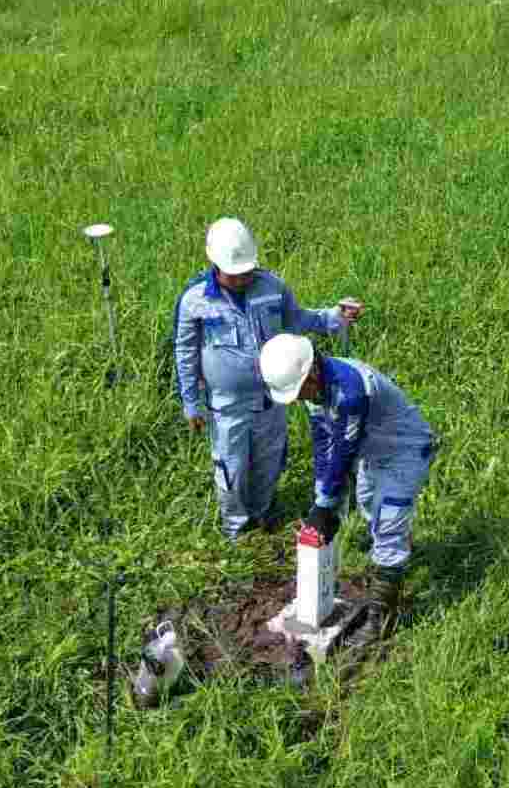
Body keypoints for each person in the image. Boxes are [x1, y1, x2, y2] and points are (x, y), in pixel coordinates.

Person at [173, 218, 363, 541]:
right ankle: (236, 530)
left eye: (247, 270)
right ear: (214, 264)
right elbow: (185, 350)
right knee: (231, 471)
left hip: (272, 400)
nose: (243, 278)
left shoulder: (272, 288)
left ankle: (262, 516)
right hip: (227, 407)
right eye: (235, 273)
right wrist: (191, 403)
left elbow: (299, 319)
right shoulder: (194, 301)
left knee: (269, 462)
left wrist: (333, 317)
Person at [258, 334, 438, 645]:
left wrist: (327, 505)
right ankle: (395, 560)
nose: (300, 398)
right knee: (369, 504)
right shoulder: (317, 390)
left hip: (405, 451)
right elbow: (323, 441)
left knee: (387, 524)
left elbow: (343, 449)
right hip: (375, 450)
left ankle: (382, 619)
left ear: (312, 371)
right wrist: (321, 498)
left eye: (300, 391)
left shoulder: (349, 391)